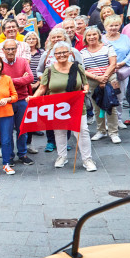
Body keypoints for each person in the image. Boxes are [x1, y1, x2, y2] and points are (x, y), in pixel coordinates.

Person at [33, 42, 97, 171]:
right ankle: (62, 157)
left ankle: (87, 159)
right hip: (58, 106)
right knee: (60, 132)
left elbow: (85, 83)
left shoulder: (78, 68)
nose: (61, 55)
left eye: (64, 52)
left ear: (69, 53)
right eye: (58, 53)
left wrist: (85, 90)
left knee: (82, 132)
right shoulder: (50, 70)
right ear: (54, 55)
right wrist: (33, 98)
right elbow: (42, 88)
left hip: (76, 104)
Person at [81, 26, 120, 143]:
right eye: (89, 35)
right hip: (93, 81)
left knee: (111, 106)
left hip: (109, 80)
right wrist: (97, 78)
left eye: (94, 34)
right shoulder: (82, 52)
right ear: (85, 38)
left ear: (99, 35)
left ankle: (113, 132)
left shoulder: (108, 47)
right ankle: (101, 130)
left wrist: (104, 77)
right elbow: (82, 69)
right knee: (97, 107)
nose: (92, 37)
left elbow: (113, 64)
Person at [0, 40, 35, 165]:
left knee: (22, 129)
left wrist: (9, 81)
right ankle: (9, 156)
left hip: (21, 100)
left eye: (12, 49)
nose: (10, 51)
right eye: (8, 49)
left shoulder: (23, 61)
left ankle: (23, 154)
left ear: (16, 49)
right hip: (7, 101)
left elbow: (30, 78)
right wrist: (21, 79)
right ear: (3, 50)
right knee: (7, 130)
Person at [102, 14, 130, 127]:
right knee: (106, 97)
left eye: (116, 25)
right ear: (105, 26)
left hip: (122, 71)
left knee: (120, 97)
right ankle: (106, 122)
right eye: (111, 25)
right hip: (106, 72)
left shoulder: (125, 38)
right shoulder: (101, 39)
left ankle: (119, 120)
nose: (114, 28)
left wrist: (123, 63)